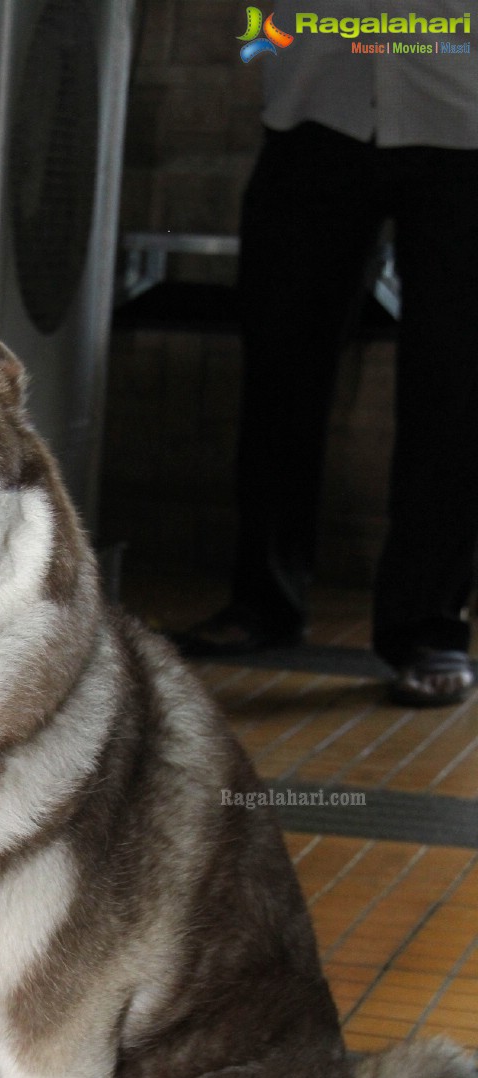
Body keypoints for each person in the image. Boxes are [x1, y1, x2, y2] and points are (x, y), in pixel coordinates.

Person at [182, 0, 478, 706]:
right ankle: (264, 600)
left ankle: (429, 626)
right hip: (312, 110)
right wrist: (275, 45)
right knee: (280, 368)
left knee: (456, 383)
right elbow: (256, 28)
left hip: (464, 120)